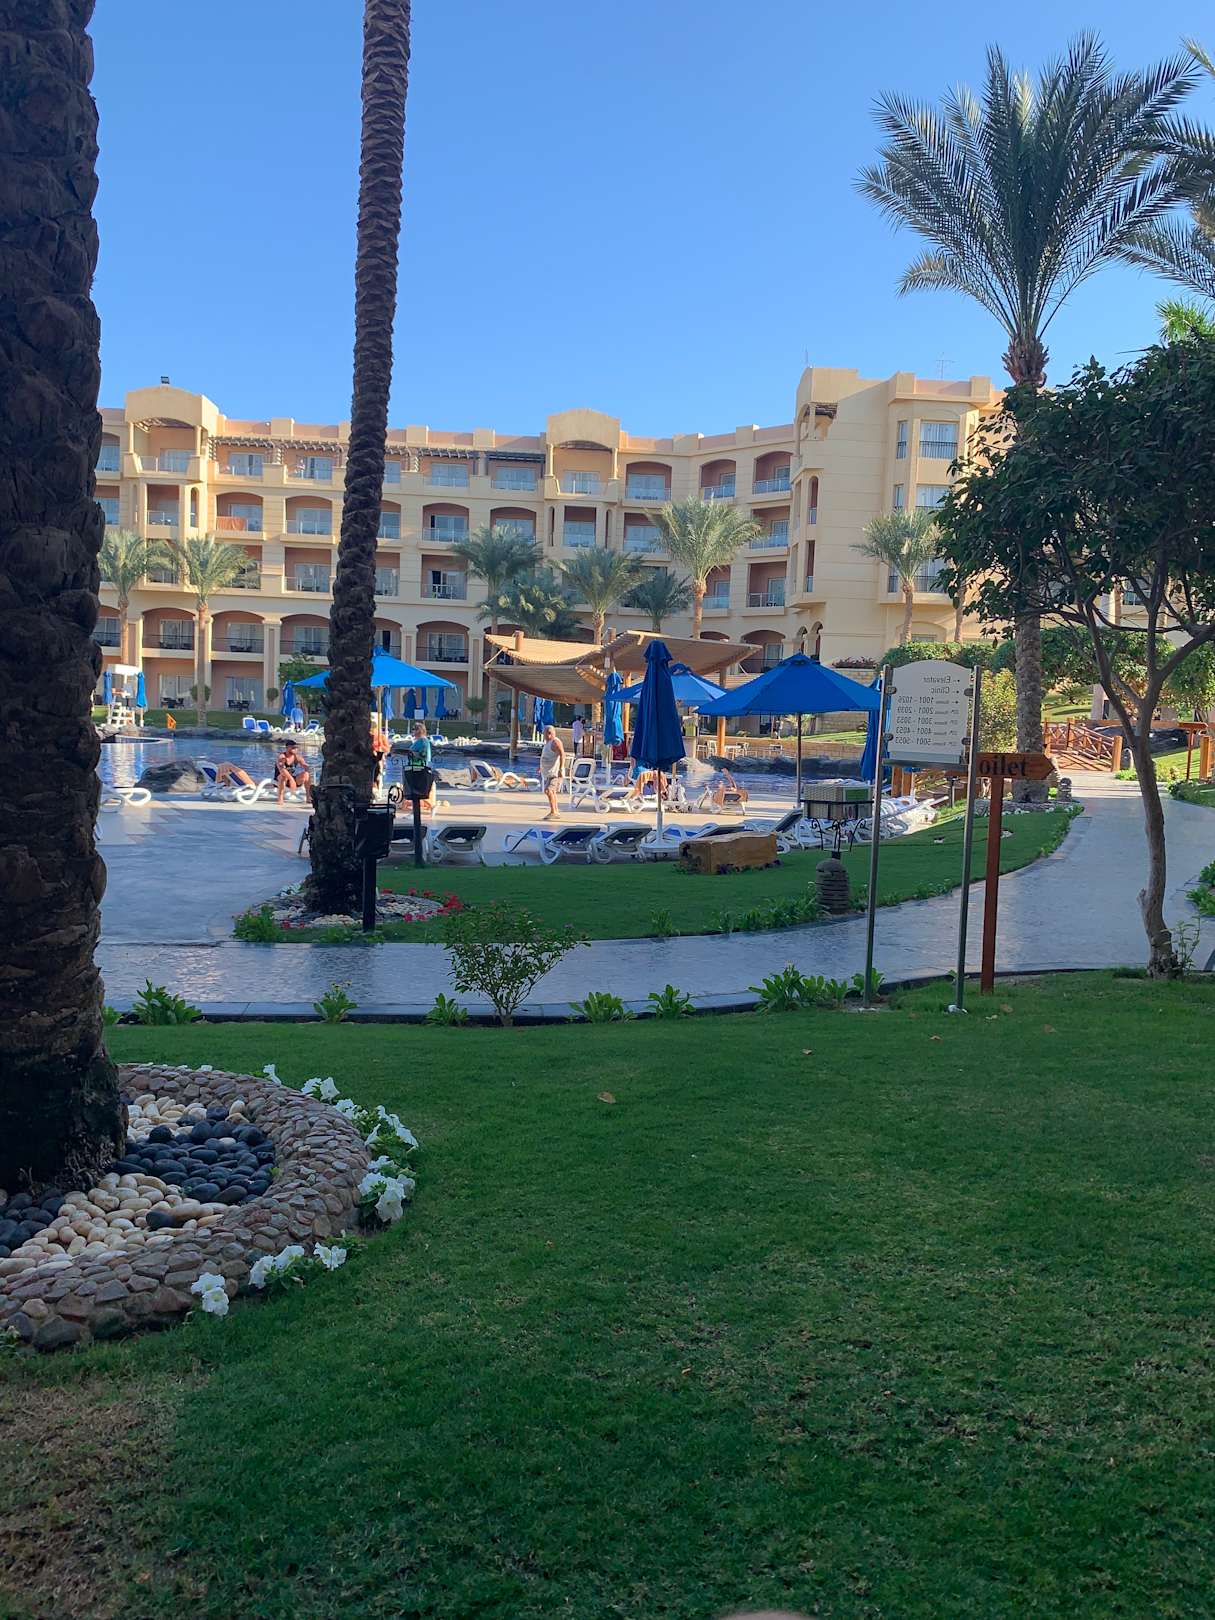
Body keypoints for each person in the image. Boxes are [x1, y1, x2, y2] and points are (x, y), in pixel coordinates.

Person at [404, 721, 436, 812]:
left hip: (419, 768)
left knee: (416, 791)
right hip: (417, 767)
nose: (412, 731)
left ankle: (417, 811)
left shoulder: (422, 741)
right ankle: (415, 811)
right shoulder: (422, 741)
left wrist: (412, 753)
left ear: (419, 731)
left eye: (414, 729)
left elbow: (423, 754)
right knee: (417, 791)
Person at [539, 723, 565, 819]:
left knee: (549, 790)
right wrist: (541, 767)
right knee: (551, 791)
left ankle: (554, 811)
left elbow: (562, 754)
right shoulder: (548, 743)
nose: (544, 735)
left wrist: (561, 768)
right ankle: (555, 811)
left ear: (549, 733)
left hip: (555, 773)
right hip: (550, 773)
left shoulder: (555, 742)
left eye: (544, 733)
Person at [275, 740, 312, 805]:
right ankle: (280, 798)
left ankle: (308, 797)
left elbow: (305, 766)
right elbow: (282, 770)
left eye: (296, 748)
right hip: (280, 779)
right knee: (283, 776)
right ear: (287, 748)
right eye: (293, 748)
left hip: (291, 779)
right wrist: (291, 779)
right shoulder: (282, 757)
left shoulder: (297, 757)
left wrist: (306, 767)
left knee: (306, 774)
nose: (295, 749)